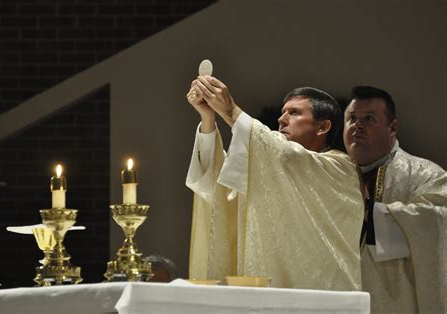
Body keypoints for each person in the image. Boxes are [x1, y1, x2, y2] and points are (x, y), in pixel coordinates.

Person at [186, 76, 365, 290]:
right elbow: (222, 192)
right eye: (283, 112)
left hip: (323, 291)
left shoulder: (341, 168)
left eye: (295, 112)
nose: (282, 119)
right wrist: (208, 120)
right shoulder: (270, 173)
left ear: (323, 126)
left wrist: (230, 110)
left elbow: (287, 156)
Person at [343, 86, 446, 314]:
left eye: (369, 118)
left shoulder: (426, 175)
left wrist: (373, 214)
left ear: (393, 128)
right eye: (351, 118)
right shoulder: (333, 176)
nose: (357, 126)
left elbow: (438, 223)